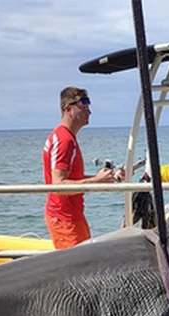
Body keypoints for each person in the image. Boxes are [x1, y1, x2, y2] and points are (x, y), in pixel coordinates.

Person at [42, 87, 122, 248]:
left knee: (85, 257)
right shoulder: (64, 140)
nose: (89, 112)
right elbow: (58, 185)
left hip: (72, 215)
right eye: (84, 108)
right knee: (76, 267)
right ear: (68, 109)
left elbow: (71, 178)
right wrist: (97, 180)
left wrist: (104, 178)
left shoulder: (66, 137)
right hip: (64, 218)